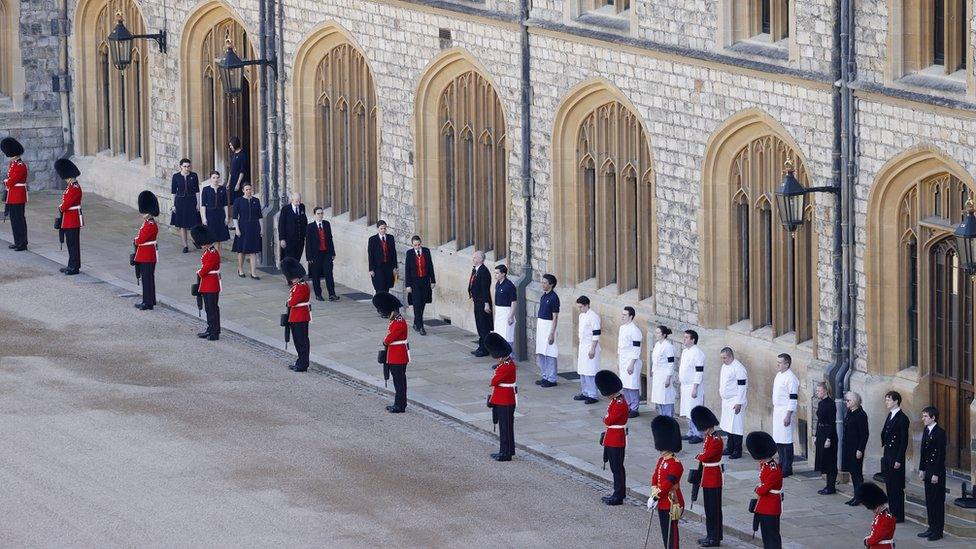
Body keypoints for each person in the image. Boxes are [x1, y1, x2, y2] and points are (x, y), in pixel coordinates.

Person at [647, 415, 683, 549]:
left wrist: (656, 496)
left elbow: (668, 483)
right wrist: (653, 492)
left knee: (671, 533)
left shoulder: (676, 464)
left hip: (672, 501)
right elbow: (655, 475)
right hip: (662, 501)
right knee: (664, 531)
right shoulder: (662, 460)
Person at [692, 406, 723, 547]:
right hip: (707, 477)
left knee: (713, 509)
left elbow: (707, 456)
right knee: (709, 509)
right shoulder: (709, 437)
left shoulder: (716, 439)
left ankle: (714, 538)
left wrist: (699, 456)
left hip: (713, 477)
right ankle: (711, 535)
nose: (702, 431)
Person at [746, 431, 782, 549]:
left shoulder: (773, 469)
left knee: (772, 536)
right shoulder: (765, 465)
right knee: (766, 536)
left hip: (771, 506)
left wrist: (757, 488)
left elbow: (762, 490)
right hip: (764, 505)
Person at [374, 292, 409, 413]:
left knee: (399, 382)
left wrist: (385, 341)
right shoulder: (396, 320)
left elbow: (388, 339)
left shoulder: (399, 323)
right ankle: (400, 403)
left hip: (398, 356)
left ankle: (399, 405)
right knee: (399, 381)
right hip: (395, 354)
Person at [596, 369, 627, 505]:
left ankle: (618, 495)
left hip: (616, 439)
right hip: (612, 437)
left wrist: (605, 418)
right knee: (615, 468)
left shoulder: (619, 403)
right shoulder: (616, 400)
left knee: (617, 468)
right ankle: (617, 492)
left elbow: (608, 420)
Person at [486, 332, 516, 462]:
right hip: (502, 399)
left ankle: (505, 453)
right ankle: (506, 451)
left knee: (505, 428)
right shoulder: (505, 364)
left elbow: (493, 381)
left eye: (499, 357)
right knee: (505, 427)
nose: (498, 359)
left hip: (506, 400)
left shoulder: (506, 367)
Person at [917, 406, 946, 541]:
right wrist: (921, 469)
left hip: (936, 472)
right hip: (928, 470)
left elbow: (940, 455)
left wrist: (936, 474)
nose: (923, 418)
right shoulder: (926, 430)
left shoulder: (940, 433)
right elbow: (923, 452)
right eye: (923, 416)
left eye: (926, 416)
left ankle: (938, 531)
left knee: (937, 502)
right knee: (929, 500)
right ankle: (931, 527)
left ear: (933, 418)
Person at [880, 390, 909, 523]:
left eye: (889, 400)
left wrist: (898, 459)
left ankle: (898, 515)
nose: (886, 402)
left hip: (896, 456)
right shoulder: (891, 415)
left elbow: (903, 441)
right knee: (889, 484)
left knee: (896, 486)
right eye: (886, 400)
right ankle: (892, 510)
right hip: (888, 454)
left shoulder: (902, 418)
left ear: (896, 401)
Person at [771, 353, 800, 477]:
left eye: (780, 362)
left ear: (787, 364)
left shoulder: (791, 378)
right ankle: (781, 463)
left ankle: (788, 467)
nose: (778, 364)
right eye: (777, 362)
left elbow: (793, 398)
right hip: (777, 410)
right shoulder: (779, 375)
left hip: (785, 410)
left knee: (786, 440)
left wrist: (788, 414)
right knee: (779, 439)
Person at [281, 257, 311, 373]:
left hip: (300, 316)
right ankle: (301, 361)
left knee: (301, 341)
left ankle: (302, 364)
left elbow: (292, 302)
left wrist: (288, 302)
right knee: (299, 341)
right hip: (296, 316)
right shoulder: (298, 285)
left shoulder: (301, 287)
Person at [192, 225, 221, 341]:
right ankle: (211, 328)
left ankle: (214, 332)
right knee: (209, 308)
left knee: (212, 309)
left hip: (211, 284)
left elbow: (206, 269)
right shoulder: (209, 251)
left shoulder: (213, 253)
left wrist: (199, 272)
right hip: (207, 283)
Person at [718, 347, 748, 459]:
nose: (723, 360)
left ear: (730, 356)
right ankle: (729, 448)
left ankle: (737, 450)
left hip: (735, 400)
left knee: (736, 427)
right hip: (726, 401)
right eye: (722, 358)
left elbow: (742, 387)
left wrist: (739, 402)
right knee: (728, 426)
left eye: (724, 357)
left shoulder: (738, 368)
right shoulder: (724, 367)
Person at [55, 158, 83, 275]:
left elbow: (67, 204)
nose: (66, 180)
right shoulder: (71, 187)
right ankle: (71, 265)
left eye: (66, 178)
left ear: (70, 176)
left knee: (73, 244)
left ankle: (74, 267)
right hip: (68, 219)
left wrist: (61, 207)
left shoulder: (75, 188)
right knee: (70, 243)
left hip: (72, 219)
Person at [133, 190, 159, 311]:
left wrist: (136, 239)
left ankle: (148, 302)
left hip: (148, 255)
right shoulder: (147, 222)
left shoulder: (150, 224)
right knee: (146, 279)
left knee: (148, 279)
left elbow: (141, 239)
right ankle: (148, 300)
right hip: (145, 254)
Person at [678, 329, 706, 443]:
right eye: (684, 337)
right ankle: (690, 431)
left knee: (694, 410)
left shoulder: (698, 353)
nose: (684, 339)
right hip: (685, 386)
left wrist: (695, 387)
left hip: (693, 386)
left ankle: (698, 434)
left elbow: (699, 371)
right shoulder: (685, 352)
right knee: (687, 409)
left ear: (693, 339)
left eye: (686, 337)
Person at [305, 207, 338, 302]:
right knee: (316, 275)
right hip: (316, 254)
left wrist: (333, 252)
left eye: (321, 213)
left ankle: (332, 294)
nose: (320, 215)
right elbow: (308, 243)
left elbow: (330, 239)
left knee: (329, 274)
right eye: (318, 214)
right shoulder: (310, 227)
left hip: (326, 253)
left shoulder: (327, 224)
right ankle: (318, 294)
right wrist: (309, 257)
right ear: (314, 215)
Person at [842, 391, 869, 506]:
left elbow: (864, 434)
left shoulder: (861, 414)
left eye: (848, 400)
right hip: (848, 447)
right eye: (846, 400)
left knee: (857, 473)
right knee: (853, 473)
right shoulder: (850, 412)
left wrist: (860, 449)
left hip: (856, 448)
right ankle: (856, 495)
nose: (846, 402)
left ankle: (860, 497)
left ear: (855, 402)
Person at [404, 235, 435, 335]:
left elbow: (430, 266)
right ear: (412, 245)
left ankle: (416, 322)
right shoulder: (409, 253)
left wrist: (433, 280)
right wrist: (408, 285)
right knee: (416, 303)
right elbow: (407, 270)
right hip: (414, 282)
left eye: (418, 245)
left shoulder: (426, 251)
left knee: (422, 303)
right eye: (415, 245)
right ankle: (421, 326)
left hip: (425, 281)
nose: (417, 247)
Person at [170, 158, 202, 253]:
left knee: (193, 224)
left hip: (191, 201)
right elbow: (173, 192)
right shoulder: (176, 176)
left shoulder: (194, 175)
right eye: (184, 166)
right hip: (180, 202)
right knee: (182, 225)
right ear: (180, 167)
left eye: (188, 166)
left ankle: (194, 240)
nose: (187, 168)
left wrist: (198, 203)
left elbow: (197, 190)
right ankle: (185, 245)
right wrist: (173, 205)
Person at [2, 137, 28, 251]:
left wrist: (6, 182)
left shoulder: (20, 165)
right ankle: (17, 241)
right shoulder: (13, 164)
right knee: (13, 219)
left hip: (18, 195)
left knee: (19, 219)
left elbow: (11, 181)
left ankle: (22, 243)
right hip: (12, 195)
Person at [232, 184, 263, 279]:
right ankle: (240, 268)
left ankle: (253, 272)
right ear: (243, 190)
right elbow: (235, 217)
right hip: (243, 227)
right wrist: (237, 229)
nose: (249, 191)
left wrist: (261, 229)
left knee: (253, 251)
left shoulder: (256, 201)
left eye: (250, 189)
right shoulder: (238, 201)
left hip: (254, 227)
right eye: (247, 189)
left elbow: (260, 216)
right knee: (242, 250)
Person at [534, 274, 560, 387]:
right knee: (541, 352)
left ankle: (552, 378)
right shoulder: (543, 296)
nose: (543, 284)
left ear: (551, 284)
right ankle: (545, 375)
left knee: (550, 353)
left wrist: (552, 333)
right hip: (541, 326)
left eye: (545, 283)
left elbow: (555, 317)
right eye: (542, 282)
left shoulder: (554, 298)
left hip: (549, 326)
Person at [617, 306, 642, 418]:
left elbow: (636, 349)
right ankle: (627, 406)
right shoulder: (622, 328)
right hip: (623, 359)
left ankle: (634, 408)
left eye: (625, 315)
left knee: (632, 384)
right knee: (625, 385)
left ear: (631, 316)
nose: (623, 316)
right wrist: (619, 360)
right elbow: (620, 346)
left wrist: (631, 363)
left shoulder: (635, 330)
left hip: (631, 360)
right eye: (622, 314)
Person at [574, 296, 601, 404]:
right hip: (583, 346)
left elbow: (596, 334)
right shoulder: (581, 316)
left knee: (590, 371)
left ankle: (593, 394)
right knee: (582, 371)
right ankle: (585, 392)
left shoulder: (593, 317)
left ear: (586, 305)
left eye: (581, 307)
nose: (579, 309)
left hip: (590, 345)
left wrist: (593, 349)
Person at [813, 381, 838, 495]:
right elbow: (819, 421)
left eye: (819, 390)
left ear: (825, 390)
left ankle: (831, 486)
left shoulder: (831, 404)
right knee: (824, 460)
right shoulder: (821, 403)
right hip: (821, 433)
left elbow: (832, 422)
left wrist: (829, 438)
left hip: (829, 433)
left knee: (830, 461)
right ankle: (827, 485)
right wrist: (816, 435)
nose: (817, 392)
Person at [857, 482, 896, 549]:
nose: (873, 511)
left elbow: (878, 536)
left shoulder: (886, 518)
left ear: (878, 507)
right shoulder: (881, 515)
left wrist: (867, 541)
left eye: (873, 509)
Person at [468, 250, 493, 357]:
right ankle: (481, 346)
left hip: (482, 302)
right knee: (479, 324)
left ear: (480, 259)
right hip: (476, 301)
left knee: (484, 326)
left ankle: (485, 349)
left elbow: (485, 289)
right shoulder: (476, 270)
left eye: (475, 258)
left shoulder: (484, 271)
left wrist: (486, 303)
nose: (473, 259)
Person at [650, 325, 677, 417]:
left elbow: (671, 363)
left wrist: (668, 378)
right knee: (659, 398)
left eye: (658, 333)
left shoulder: (668, 346)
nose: (656, 334)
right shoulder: (657, 345)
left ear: (664, 334)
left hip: (665, 375)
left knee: (666, 398)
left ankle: (669, 418)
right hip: (658, 374)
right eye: (656, 332)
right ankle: (662, 417)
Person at [200, 171, 230, 249]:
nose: (215, 180)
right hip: (210, 214)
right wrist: (204, 218)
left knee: (218, 237)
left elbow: (225, 204)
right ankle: (209, 255)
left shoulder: (223, 189)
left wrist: (226, 217)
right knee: (209, 235)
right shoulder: (206, 189)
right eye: (213, 178)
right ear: (210, 179)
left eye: (217, 178)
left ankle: (217, 255)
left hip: (220, 214)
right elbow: (203, 205)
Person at [367, 220, 397, 295]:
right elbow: (371, 255)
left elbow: (393, 253)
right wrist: (371, 269)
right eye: (381, 228)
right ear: (378, 229)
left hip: (388, 266)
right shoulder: (372, 240)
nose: (383, 230)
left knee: (387, 287)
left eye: (384, 228)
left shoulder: (390, 238)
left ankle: (385, 305)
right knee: (380, 287)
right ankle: (380, 305)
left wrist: (395, 267)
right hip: (378, 267)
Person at [492, 264, 517, 346]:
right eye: (495, 273)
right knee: (498, 336)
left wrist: (511, 316)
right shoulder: (497, 284)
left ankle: (509, 357)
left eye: (497, 273)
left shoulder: (509, 285)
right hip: (499, 313)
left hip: (506, 312)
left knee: (507, 337)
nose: (495, 275)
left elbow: (514, 301)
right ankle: (501, 357)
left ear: (503, 274)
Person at [277, 191, 306, 261]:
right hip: (289, 240)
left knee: (297, 259)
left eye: (299, 201)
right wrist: (282, 239)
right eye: (296, 201)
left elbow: (304, 221)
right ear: (292, 200)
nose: (298, 203)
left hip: (299, 240)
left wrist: (306, 234)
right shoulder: (285, 209)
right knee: (289, 260)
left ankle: (295, 272)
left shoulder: (302, 207)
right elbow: (281, 225)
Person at [227, 137, 249, 203]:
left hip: (239, 181)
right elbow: (231, 169)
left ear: (235, 144)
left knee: (239, 200)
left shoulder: (243, 155)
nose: (230, 147)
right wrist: (228, 182)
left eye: (231, 145)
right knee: (233, 201)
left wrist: (238, 183)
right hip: (233, 181)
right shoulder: (234, 154)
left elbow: (242, 171)